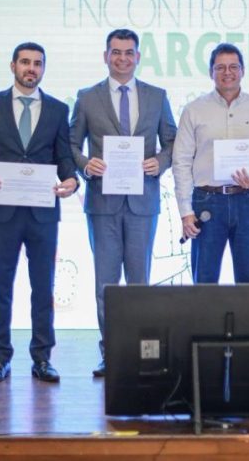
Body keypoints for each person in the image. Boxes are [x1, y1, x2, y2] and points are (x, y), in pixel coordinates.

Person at [0, 42, 78, 383]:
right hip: (2, 210)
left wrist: (72, 179)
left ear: (43, 69)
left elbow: (64, 156)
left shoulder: (58, 109)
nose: (31, 68)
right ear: (13, 65)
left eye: (38, 63)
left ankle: (42, 358)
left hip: (43, 211)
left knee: (43, 288)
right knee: (0, 288)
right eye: (25, 62)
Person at [69, 29, 176, 377]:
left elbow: (172, 142)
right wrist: (86, 165)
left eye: (129, 52)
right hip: (103, 203)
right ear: (105, 56)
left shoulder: (157, 96)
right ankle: (111, 353)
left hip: (143, 202)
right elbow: (71, 144)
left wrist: (160, 162)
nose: (122, 58)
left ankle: (141, 353)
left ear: (138, 57)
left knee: (140, 284)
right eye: (116, 52)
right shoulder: (87, 98)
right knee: (107, 285)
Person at [172, 42, 249, 284]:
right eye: (220, 67)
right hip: (206, 201)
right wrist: (186, 212)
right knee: (204, 281)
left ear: (243, 70)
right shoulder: (194, 110)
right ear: (211, 72)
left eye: (233, 67)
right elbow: (181, 161)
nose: (227, 72)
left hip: (248, 200)